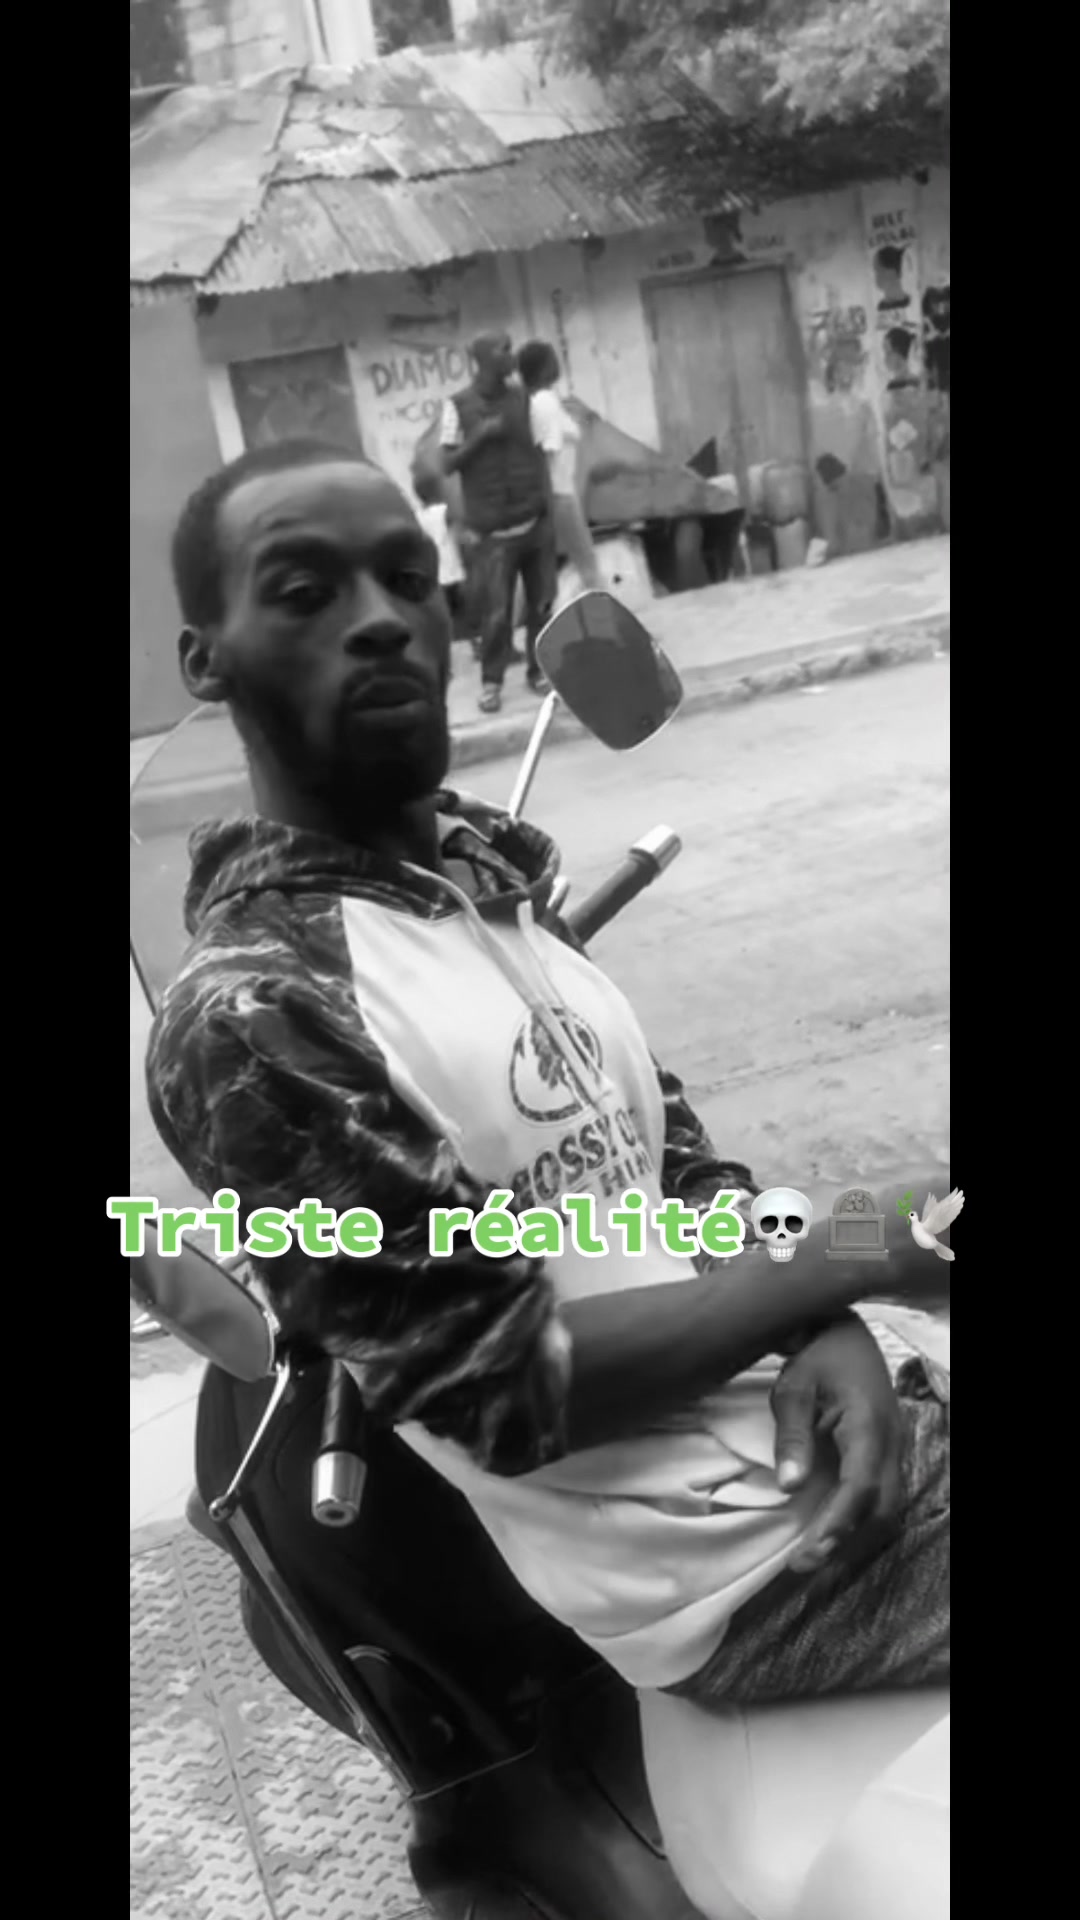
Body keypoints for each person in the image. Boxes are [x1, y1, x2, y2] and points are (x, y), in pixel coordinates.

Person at [146, 438, 949, 1711]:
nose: (380, 620)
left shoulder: (486, 891)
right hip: (742, 1568)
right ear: (207, 659)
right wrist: (856, 1251)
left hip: (825, 1440)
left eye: (408, 579)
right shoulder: (254, 1010)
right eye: (305, 592)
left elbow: (678, 1179)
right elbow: (497, 1386)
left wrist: (824, 1318)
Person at [439, 332, 557, 713]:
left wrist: (549, 510)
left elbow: (540, 454)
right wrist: (482, 436)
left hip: (534, 522)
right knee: (496, 614)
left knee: (542, 605)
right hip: (493, 533)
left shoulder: (524, 399)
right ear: (483, 359)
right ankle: (492, 682)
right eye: (503, 350)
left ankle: (539, 672)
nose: (511, 355)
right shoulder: (457, 406)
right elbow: (446, 463)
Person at [516, 340, 603, 594]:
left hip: (558, 493)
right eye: (552, 359)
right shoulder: (545, 402)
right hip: (559, 494)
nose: (558, 364)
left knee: (583, 565)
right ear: (543, 368)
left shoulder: (541, 401)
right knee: (588, 566)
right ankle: (605, 612)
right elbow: (545, 456)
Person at [412, 470, 476, 660]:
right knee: (466, 613)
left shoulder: (416, 517)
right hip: (454, 572)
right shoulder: (443, 511)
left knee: (444, 618)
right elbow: (458, 528)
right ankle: (475, 645)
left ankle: (443, 655)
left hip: (434, 576)